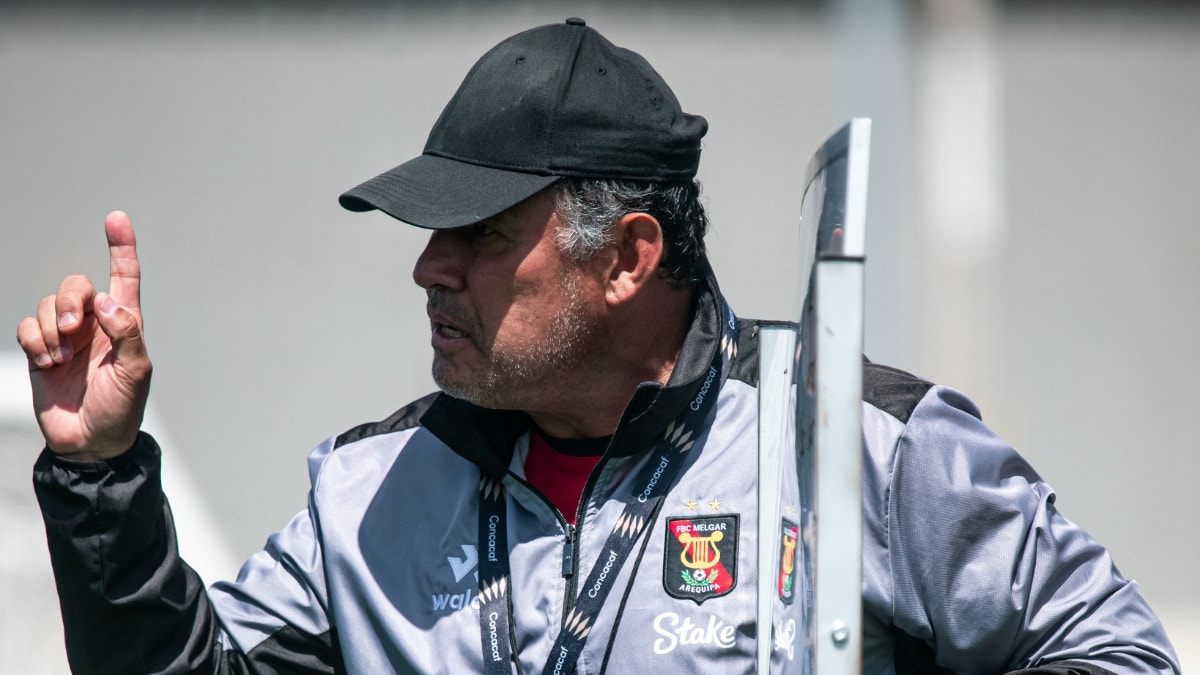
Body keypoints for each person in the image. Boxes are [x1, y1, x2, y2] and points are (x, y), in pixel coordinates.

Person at [19, 19, 1180, 675]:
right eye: (432, 235)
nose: (430, 268)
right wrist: (98, 474)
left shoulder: (868, 450)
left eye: (481, 235)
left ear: (626, 258)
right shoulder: (367, 495)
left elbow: (1119, 660)